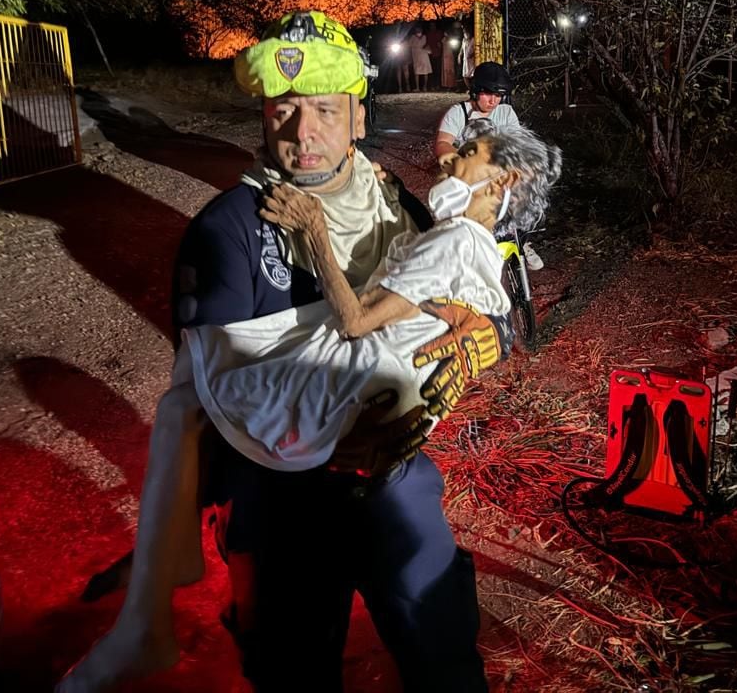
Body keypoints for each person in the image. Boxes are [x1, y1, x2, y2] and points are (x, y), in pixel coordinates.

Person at [59, 10, 508, 693]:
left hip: (395, 488)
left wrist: (484, 340)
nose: (303, 132)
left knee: (444, 653)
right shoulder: (231, 231)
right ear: (264, 118)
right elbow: (215, 398)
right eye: (285, 110)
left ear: (358, 118)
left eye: (325, 110)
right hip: (280, 506)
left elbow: (464, 294)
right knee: (292, 670)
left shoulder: (399, 209)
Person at [194, 125, 561, 473]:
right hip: (367, 420)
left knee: (203, 402)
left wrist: (314, 229)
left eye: (467, 153)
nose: (446, 158)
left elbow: (356, 322)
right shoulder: (481, 254)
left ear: (502, 181)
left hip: (323, 399)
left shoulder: (456, 240)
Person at [436, 61, 545, 271]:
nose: (493, 100)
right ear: (475, 90)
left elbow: (516, 142)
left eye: (498, 95)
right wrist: (460, 164)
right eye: (487, 93)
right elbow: (442, 143)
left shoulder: (505, 112)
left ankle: (522, 242)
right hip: (469, 178)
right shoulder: (458, 112)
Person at [408, 24, 433, 93]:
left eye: (419, 30)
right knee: (417, 72)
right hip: (416, 56)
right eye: (417, 30)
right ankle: (417, 87)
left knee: (425, 71)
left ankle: (425, 87)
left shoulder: (424, 37)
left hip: (424, 55)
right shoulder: (413, 37)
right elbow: (409, 45)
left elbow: (426, 44)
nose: (418, 31)